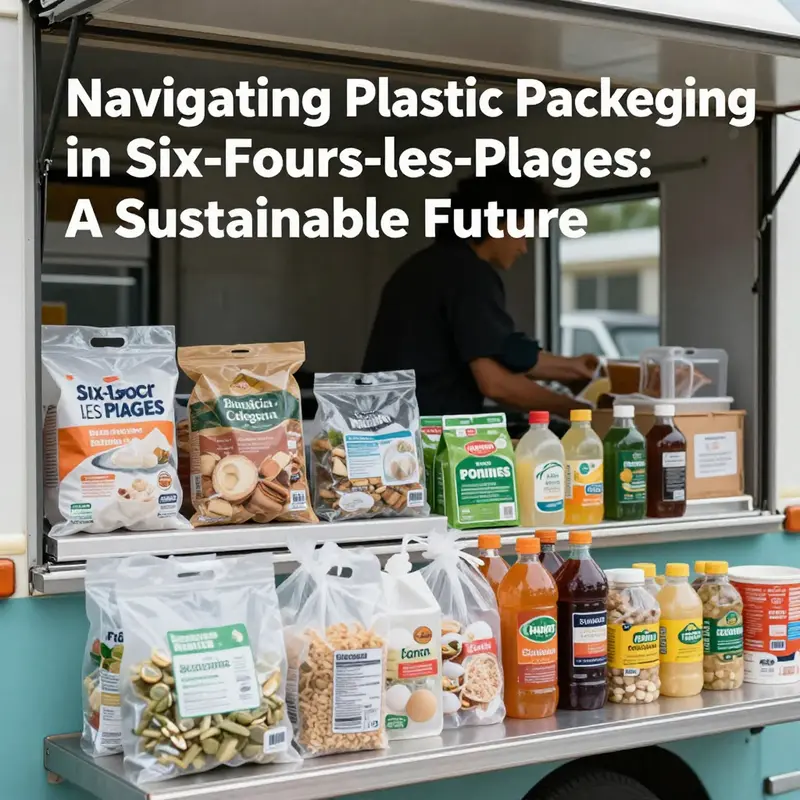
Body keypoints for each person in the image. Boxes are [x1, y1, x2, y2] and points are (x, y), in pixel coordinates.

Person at [362, 169, 598, 418]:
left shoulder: (426, 266)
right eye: (522, 231)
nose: (523, 247)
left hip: (383, 428)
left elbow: (500, 349)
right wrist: (583, 412)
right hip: (425, 437)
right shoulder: (469, 275)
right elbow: (495, 382)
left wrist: (572, 368)